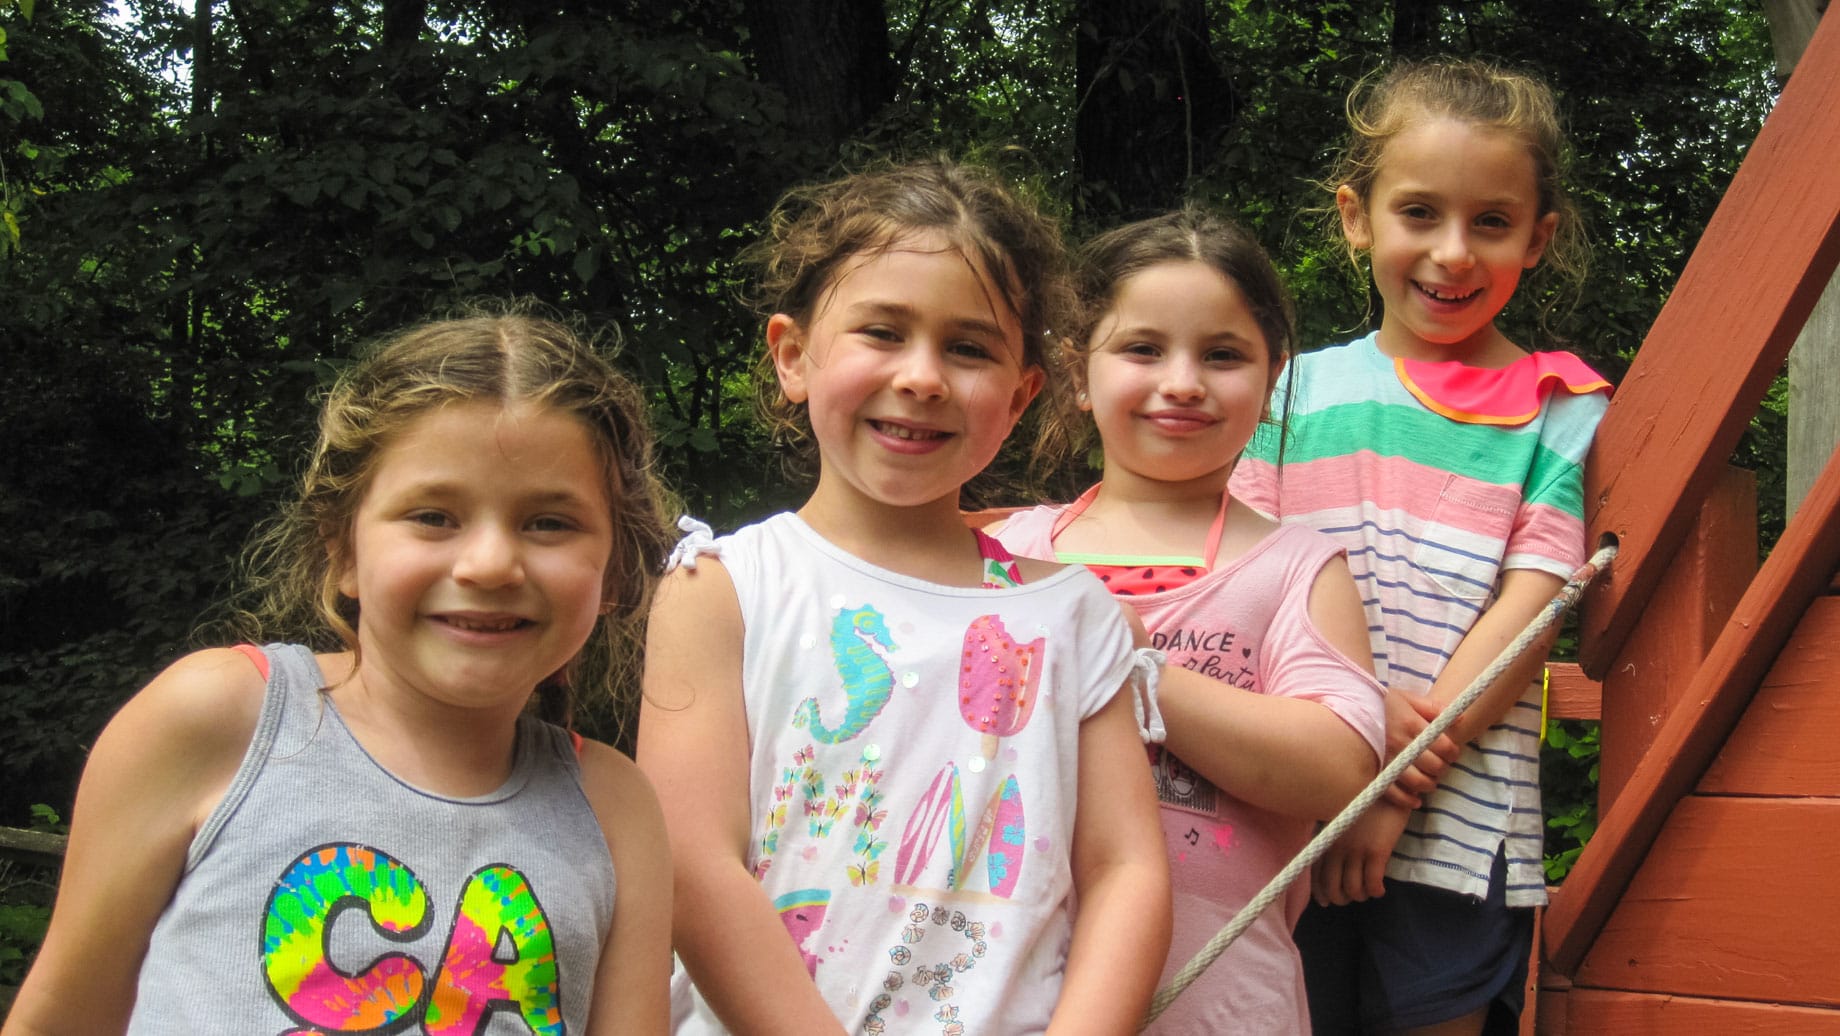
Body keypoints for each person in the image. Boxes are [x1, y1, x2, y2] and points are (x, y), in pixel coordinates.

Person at [4, 309, 679, 1035]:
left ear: (614, 567)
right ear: (343, 549)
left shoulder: (614, 811)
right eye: (433, 515)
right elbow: (61, 1017)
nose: (487, 564)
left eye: (549, 523)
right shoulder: (217, 721)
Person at [637, 158, 1172, 1035]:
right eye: (882, 332)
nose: (922, 376)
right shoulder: (721, 589)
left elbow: (1127, 873)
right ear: (793, 356)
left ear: (1019, 396)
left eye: (968, 348)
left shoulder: (1072, 615)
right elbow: (692, 863)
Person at [1228, 58, 1613, 1035]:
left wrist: (1394, 786)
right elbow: (1247, 581)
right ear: (1357, 216)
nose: (1451, 252)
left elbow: (1532, 611)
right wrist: (1349, 762)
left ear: (1539, 236)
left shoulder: (1557, 408)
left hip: (1458, 830)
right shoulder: (1285, 396)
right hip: (1291, 816)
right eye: (1417, 213)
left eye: (1490, 221)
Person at [994, 208, 1386, 1033]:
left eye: (1223, 355)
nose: (1182, 381)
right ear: (1075, 369)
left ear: (1273, 376)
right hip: (998, 996)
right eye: (1142, 349)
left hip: (1223, 1005)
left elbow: (1340, 769)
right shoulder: (1007, 551)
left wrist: (1137, 664)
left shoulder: (1296, 567)